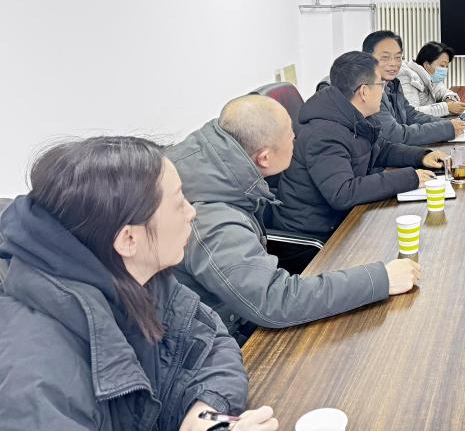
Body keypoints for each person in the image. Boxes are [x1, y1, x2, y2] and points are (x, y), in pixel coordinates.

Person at [0, 137, 277, 431]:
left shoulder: (141, 279)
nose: (191, 212)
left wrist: (204, 417)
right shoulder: (35, 376)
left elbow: (212, 345)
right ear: (129, 239)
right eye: (178, 203)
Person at [169, 95, 421, 342]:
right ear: (264, 157)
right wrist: (381, 279)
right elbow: (274, 300)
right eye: (291, 137)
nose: (296, 140)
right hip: (225, 341)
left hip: (235, 314)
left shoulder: (215, 166)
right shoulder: (213, 220)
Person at [273, 51, 447, 239]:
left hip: (343, 220)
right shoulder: (324, 134)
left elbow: (382, 150)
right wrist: (409, 178)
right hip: (315, 235)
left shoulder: (354, 116)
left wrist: (422, 156)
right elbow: (343, 193)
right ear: (364, 91)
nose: (383, 91)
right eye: (380, 84)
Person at [364, 30, 465, 145]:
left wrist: (447, 123)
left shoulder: (392, 83)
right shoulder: (367, 91)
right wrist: (445, 128)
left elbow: (410, 114)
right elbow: (395, 135)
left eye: (398, 57)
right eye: (385, 57)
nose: (393, 63)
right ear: (367, 58)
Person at [399, 41, 465, 118]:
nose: (445, 70)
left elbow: (443, 91)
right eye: (442, 65)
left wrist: (449, 99)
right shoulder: (408, 78)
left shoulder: (430, 77)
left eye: (446, 66)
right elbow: (410, 114)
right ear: (427, 65)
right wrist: (447, 108)